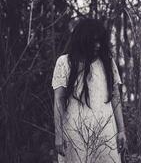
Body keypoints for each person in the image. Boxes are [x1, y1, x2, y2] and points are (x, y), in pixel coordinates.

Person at [51, 18, 127, 163]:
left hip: (106, 133)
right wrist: (59, 135)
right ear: (83, 40)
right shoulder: (65, 63)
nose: (98, 45)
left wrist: (121, 130)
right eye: (93, 41)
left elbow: (116, 97)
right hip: (75, 133)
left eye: (100, 41)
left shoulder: (107, 62)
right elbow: (58, 100)